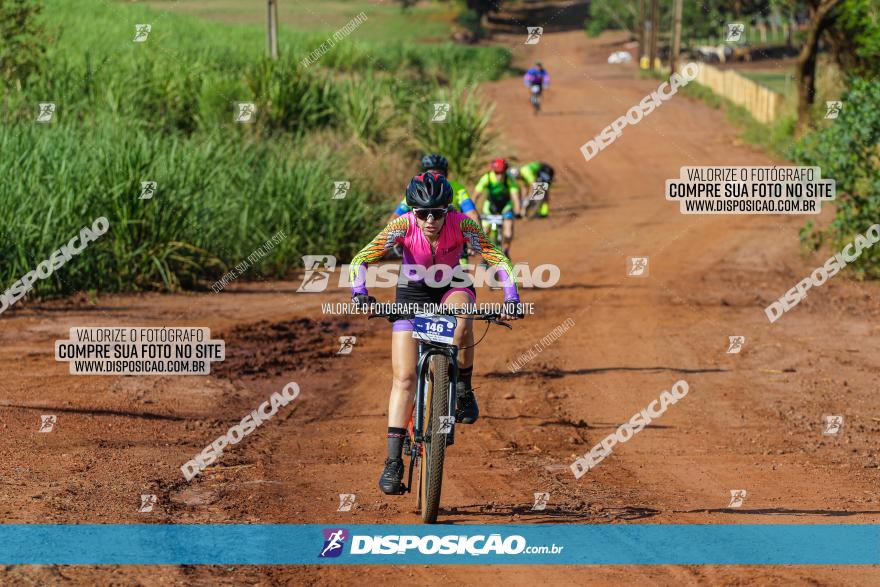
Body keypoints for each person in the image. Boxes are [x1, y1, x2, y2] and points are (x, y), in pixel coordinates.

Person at [349, 172, 523, 495]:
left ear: (448, 210)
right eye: (422, 213)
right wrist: (360, 291)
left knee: (463, 321)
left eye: (438, 213)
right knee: (403, 378)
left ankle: (463, 390)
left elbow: (496, 256)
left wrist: (511, 296)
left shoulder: (464, 225)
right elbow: (362, 257)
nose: (430, 220)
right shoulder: (402, 226)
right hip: (412, 293)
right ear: (411, 211)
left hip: (452, 286)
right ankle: (392, 463)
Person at [388, 154, 480, 225]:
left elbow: (472, 214)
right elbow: (395, 217)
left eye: (439, 174)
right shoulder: (417, 189)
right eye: (431, 174)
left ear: (446, 175)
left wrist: (474, 243)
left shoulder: (458, 189)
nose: (435, 178)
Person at [473, 158, 520, 258]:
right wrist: (471, 210)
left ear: (505, 171)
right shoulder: (487, 177)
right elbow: (476, 194)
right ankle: (485, 252)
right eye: (496, 173)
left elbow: (515, 196)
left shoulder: (509, 179)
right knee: (485, 231)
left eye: (501, 173)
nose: (499, 176)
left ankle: (506, 251)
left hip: (505, 206)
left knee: (508, 230)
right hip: (490, 205)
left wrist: (518, 210)